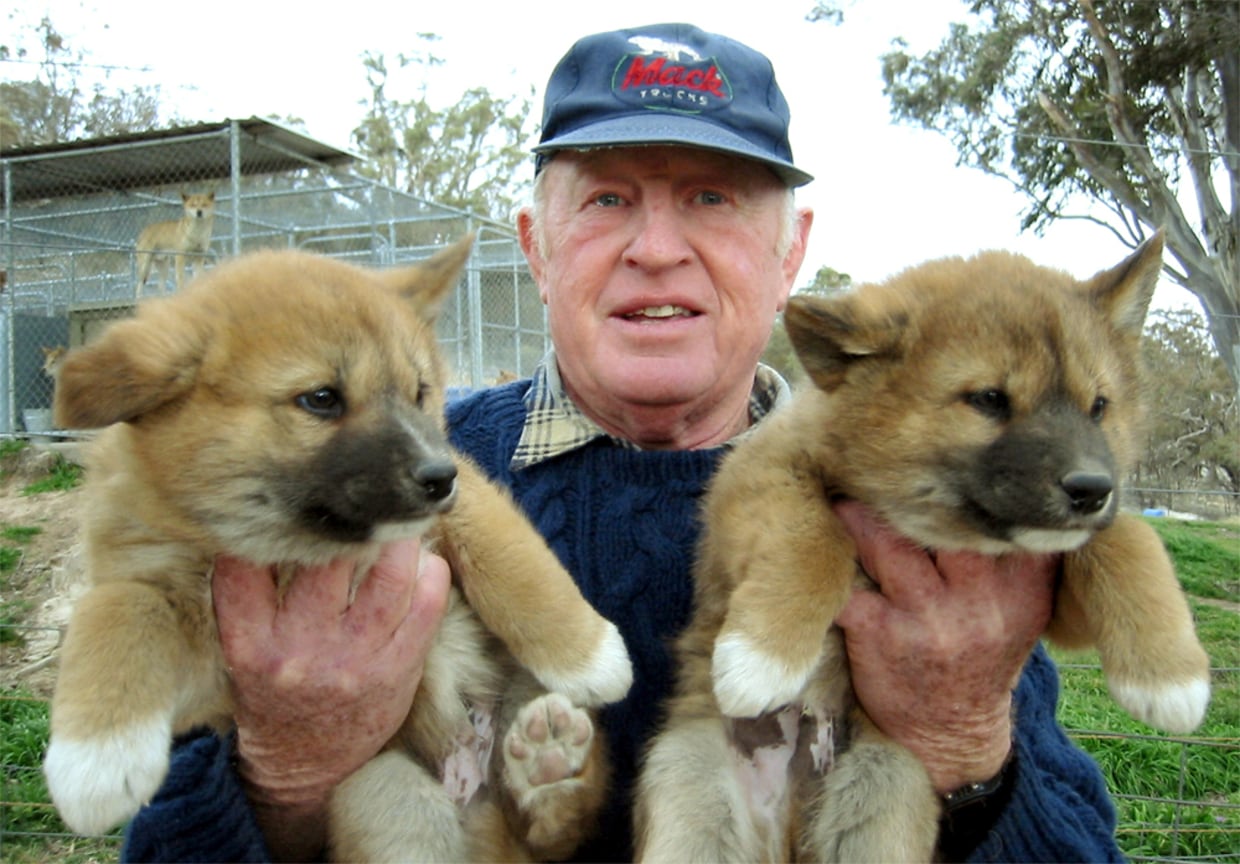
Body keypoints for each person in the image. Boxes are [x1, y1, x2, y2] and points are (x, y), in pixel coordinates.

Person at [120, 22, 1124, 863]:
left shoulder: (936, 497)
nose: (655, 249)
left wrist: (959, 743)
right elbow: (165, 833)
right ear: (535, 247)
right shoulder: (383, 478)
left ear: (793, 254)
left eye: (712, 198)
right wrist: (288, 770)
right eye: (606, 200)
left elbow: (1071, 836)